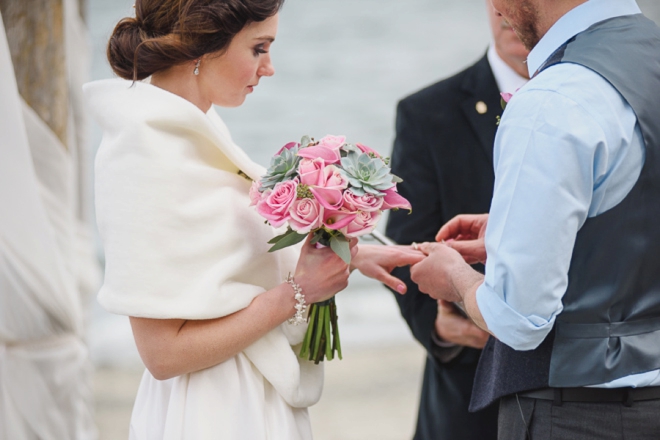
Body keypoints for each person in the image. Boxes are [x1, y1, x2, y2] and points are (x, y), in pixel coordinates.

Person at [84, 1, 422, 439]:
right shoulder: (142, 154)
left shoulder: (195, 130)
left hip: (252, 394)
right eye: (259, 49)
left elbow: (219, 264)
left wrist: (348, 254)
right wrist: (298, 293)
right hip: (210, 409)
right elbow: (162, 355)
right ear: (202, 47)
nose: (269, 68)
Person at [409, 0, 660, 438]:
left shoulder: (555, 98)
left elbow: (518, 319)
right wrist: (523, 230)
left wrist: (455, 279)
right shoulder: (650, 55)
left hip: (579, 413)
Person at [385, 2, 528, 438]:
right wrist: (440, 327)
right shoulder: (427, 113)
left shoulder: (600, 102)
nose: (508, 11)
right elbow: (407, 246)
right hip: (469, 393)